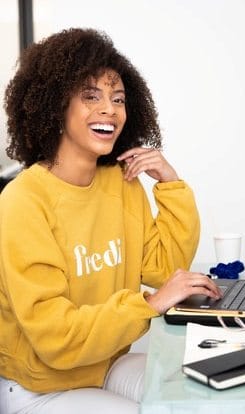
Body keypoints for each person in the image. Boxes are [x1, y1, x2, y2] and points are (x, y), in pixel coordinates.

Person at [0, 28, 221, 413]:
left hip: (105, 364)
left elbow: (165, 269)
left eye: (117, 98)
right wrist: (149, 304)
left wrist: (171, 185)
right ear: (55, 106)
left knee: (200, 394)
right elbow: (55, 336)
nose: (109, 109)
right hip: (41, 385)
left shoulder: (120, 183)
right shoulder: (24, 201)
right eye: (91, 96)